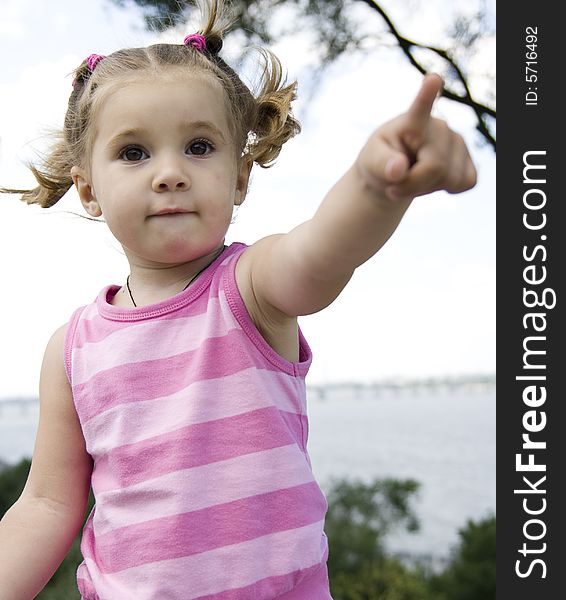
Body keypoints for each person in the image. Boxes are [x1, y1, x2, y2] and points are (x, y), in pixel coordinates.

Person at [0, 0, 476, 598]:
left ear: (240, 176)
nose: (169, 173)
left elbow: (321, 253)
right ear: (89, 189)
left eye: (199, 147)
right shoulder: (71, 348)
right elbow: (45, 503)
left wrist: (375, 187)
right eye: (134, 152)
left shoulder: (250, 287)